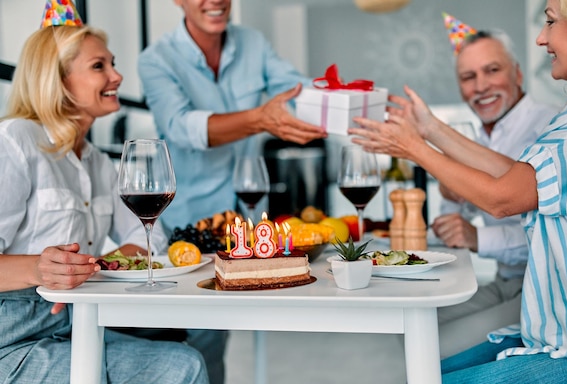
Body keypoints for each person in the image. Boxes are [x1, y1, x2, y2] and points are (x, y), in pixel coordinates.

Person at [350, 0, 567, 381]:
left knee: (431, 372)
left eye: (550, 22)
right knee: (429, 366)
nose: (542, 39)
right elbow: (514, 175)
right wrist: (428, 131)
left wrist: (414, 148)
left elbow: (504, 198)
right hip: (566, 331)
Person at [0, 22, 208, 384]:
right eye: (99, 66)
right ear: (58, 80)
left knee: (189, 347)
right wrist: (40, 269)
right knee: (180, 368)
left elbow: (151, 238)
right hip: (11, 340)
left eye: (112, 63)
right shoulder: (15, 139)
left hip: (74, 322)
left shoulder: (97, 161)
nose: (117, 75)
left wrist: (92, 265)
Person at [138, 0, 327, 231]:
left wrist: (356, 99)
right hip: (191, 223)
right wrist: (260, 119)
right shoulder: (156, 60)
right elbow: (180, 128)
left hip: (251, 214)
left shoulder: (253, 42)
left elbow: (298, 89)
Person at [432, 29, 559, 357]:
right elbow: (450, 219)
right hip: (505, 282)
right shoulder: (477, 139)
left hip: (545, 292)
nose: (481, 86)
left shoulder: (549, 127)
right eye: (468, 77)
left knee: (436, 351)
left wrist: (477, 237)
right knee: (415, 326)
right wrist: (450, 190)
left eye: (492, 70)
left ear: (516, 72)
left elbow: (545, 236)